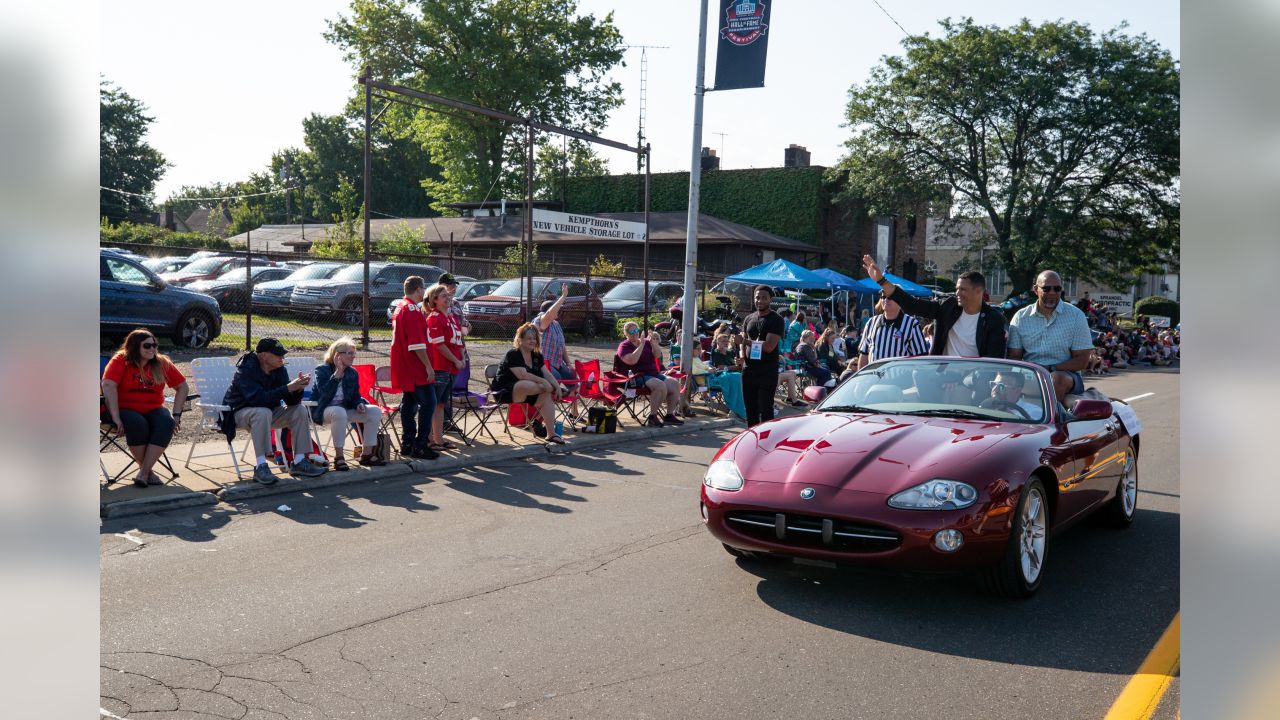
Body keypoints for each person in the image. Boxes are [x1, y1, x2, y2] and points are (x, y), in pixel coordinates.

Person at [219, 338, 326, 484]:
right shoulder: (246, 370)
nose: (282, 358)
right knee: (262, 412)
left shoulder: (279, 369)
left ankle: (300, 461)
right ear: (263, 355)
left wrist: (297, 389)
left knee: (299, 410)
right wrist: (288, 387)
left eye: (282, 354)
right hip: (237, 413)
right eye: (277, 354)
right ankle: (261, 466)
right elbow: (257, 400)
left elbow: (291, 402)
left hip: (267, 413)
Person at [862, 254, 1007, 359]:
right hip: (942, 375)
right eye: (956, 288)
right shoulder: (949, 306)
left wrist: (966, 380)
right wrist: (881, 281)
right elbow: (913, 305)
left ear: (979, 291)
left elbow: (992, 360)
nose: (957, 293)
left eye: (963, 289)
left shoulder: (994, 319)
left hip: (975, 380)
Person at [101, 329, 190, 488]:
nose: (152, 349)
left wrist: (176, 416)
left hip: (153, 408)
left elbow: (182, 386)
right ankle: (148, 472)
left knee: (166, 422)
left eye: (155, 345)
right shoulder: (121, 360)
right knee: (137, 423)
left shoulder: (161, 362)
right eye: (147, 346)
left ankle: (144, 472)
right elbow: (108, 385)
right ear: (135, 347)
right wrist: (115, 417)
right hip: (123, 408)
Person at [1007, 270, 1096, 403]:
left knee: (1056, 379)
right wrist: (1030, 373)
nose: (1052, 293)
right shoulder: (1021, 317)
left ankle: (1050, 421)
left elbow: (1082, 361)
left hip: (1066, 375)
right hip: (1030, 374)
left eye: (1057, 289)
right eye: (1047, 289)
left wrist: (1050, 369)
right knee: (1001, 380)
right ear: (1036, 290)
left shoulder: (1076, 316)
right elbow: (1014, 357)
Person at [310, 338, 385, 470]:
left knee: (374, 411)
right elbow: (324, 394)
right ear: (338, 355)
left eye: (354, 353)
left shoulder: (352, 372)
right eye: (349, 353)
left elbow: (355, 395)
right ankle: (339, 457)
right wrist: (338, 373)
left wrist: (358, 404)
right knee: (339, 412)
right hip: (323, 410)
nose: (353, 356)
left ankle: (366, 454)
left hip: (344, 411)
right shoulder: (321, 370)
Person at [390, 276, 439, 460]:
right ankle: (419, 444)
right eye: (423, 289)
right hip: (415, 367)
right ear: (418, 289)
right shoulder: (411, 309)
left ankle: (407, 443)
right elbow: (417, 344)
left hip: (405, 365)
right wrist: (428, 366)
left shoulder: (400, 307)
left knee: (409, 403)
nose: (424, 293)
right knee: (429, 403)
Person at [493, 323, 566, 443]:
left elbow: (546, 373)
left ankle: (551, 434)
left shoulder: (537, 355)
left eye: (534, 338)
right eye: (529, 338)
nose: (532, 341)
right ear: (520, 339)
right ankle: (550, 390)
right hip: (505, 391)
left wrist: (557, 386)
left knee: (546, 396)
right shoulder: (513, 354)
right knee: (528, 384)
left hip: (529, 392)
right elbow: (522, 375)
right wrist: (546, 384)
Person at [615, 321, 684, 427]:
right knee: (660, 385)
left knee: (675, 384)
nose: (635, 333)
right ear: (626, 334)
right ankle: (652, 416)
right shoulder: (624, 345)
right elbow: (631, 360)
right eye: (632, 331)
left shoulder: (647, 342)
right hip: (635, 376)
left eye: (636, 330)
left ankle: (669, 415)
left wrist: (653, 342)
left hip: (652, 373)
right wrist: (641, 344)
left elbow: (657, 355)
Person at [425, 283, 466, 452]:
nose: (448, 298)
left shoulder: (450, 317)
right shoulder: (434, 317)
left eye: (448, 296)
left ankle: (439, 439)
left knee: (441, 404)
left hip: (452, 367)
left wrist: (461, 357)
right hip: (440, 366)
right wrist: (455, 360)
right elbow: (439, 345)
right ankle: (428, 439)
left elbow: (459, 340)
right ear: (434, 300)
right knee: (433, 403)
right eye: (443, 296)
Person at [740, 285, 787, 425]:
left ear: (770, 299)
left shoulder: (777, 320)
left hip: (767, 371)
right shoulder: (748, 318)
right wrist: (742, 355)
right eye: (757, 297)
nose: (760, 300)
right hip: (748, 370)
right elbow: (742, 343)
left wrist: (744, 341)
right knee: (750, 410)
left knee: (765, 409)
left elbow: (768, 347)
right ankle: (752, 442)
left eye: (764, 298)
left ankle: (767, 442)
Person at [853, 295, 929, 373]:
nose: (885, 299)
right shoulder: (871, 323)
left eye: (890, 297)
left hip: (901, 382)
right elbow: (864, 354)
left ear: (900, 300)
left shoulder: (911, 324)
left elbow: (921, 357)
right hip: (875, 381)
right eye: (883, 297)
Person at [534, 282, 576, 381]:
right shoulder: (539, 321)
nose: (558, 311)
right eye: (556, 309)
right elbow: (549, 314)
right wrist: (563, 296)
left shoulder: (556, 324)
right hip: (544, 363)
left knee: (573, 377)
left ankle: (567, 394)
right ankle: (554, 394)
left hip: (557, 362)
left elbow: (562, 346)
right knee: (557, 377)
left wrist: (569, 363)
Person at [979, 371, 1044, 421]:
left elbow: (1031, 431)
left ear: (1017, 391)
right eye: (993, 384)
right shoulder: (986, 405)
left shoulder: (1034, 411)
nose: (995, 389)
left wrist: (1003, 409)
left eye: (1001, 386)